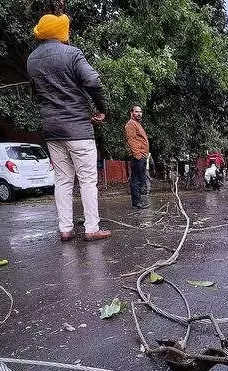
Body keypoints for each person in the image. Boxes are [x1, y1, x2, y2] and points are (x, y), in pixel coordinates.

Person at [26, 13, 111, 242]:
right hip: (78, 129)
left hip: (52, 130)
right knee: (87, 179)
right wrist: (101, 109)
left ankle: (65, 228)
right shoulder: (72, 54)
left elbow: (37, 93)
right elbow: (92, 81)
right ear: (60, 32)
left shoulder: (32, 59)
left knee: (63, 180)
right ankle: (92, 228)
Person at [124, 105, 150, 209]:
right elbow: (132, 141)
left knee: (139, 179)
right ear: (131, 113)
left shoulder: (137, 124)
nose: (139, 114)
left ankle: (138, 201)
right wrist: (138, 156)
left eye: (140, 112)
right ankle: (137, 202)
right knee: (136, 180)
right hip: (138, 157)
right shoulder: (131, 124)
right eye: (136, 112)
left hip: (142, 156)